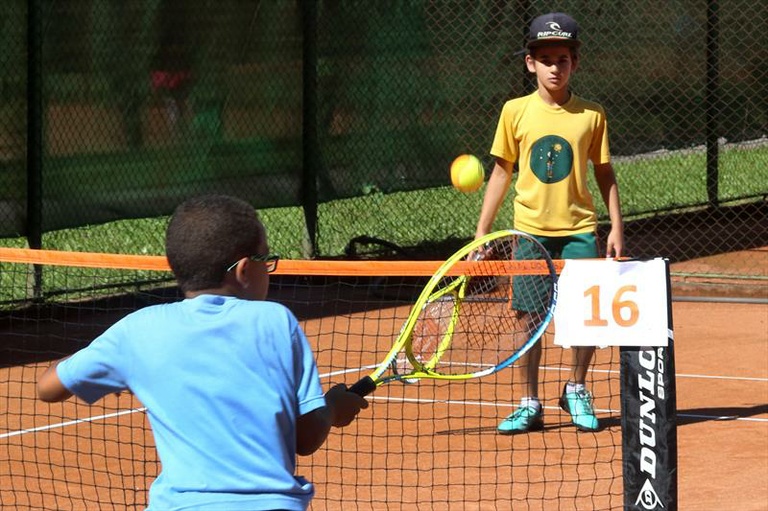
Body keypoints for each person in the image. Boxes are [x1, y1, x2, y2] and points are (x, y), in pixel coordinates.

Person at [37, 194, 368, 510]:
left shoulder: (138, 331)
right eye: (266, 260)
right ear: (242, 270)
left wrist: (131, 369)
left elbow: (48, 388)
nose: (268, 268)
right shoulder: (276, 322)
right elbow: (306, 439)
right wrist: (334, 410)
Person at [474, 13, 624, 434]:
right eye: (545, 59)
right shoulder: (514, 111)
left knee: (585, 318)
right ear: (530, 63)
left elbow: (605, 173)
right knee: (529, 319)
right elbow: (501, 171)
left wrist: (615, 226)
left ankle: (576, 388)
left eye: (562, 58)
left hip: (579, 231)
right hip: (530, 232)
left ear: (576, 62)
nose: (554, 67)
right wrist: (483, 229)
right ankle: (529, 402)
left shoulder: (592, 115)